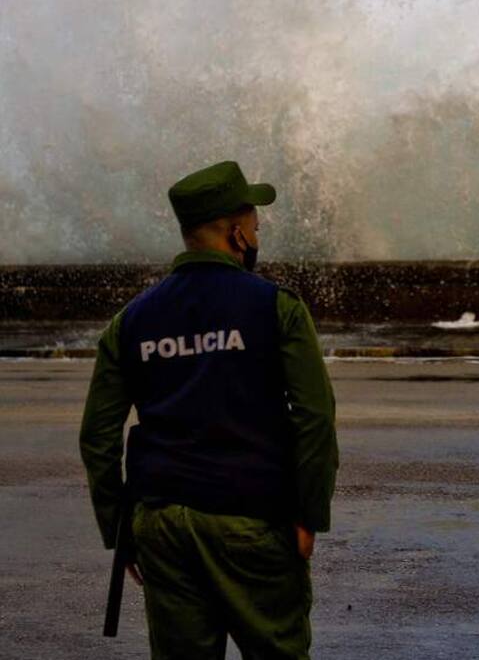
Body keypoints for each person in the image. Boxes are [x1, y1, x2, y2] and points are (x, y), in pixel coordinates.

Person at [79, 160, 339, 659]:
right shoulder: (275, 307)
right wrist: (309, 514)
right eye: (255, 227)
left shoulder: (132, 320)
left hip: (163, 524)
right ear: (237, 234)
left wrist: (120, 528)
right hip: (251, 520)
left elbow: (97, 436)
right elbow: (314, 415)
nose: (258, 237)